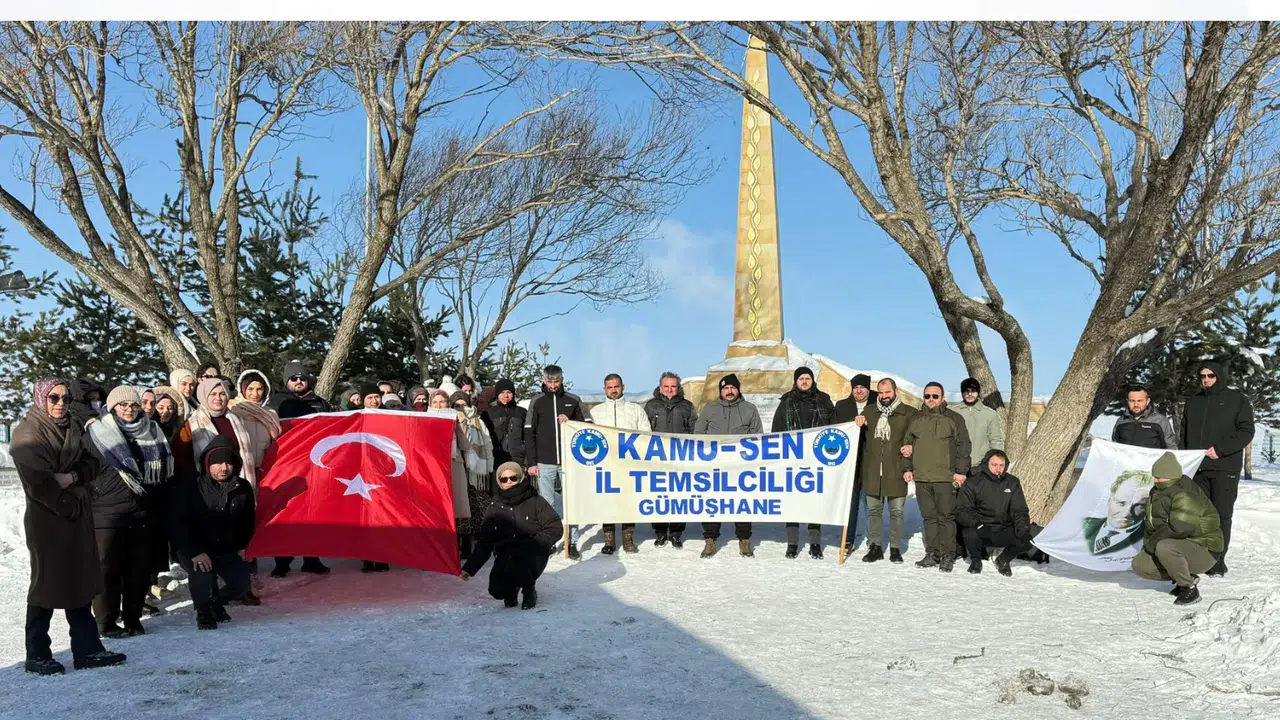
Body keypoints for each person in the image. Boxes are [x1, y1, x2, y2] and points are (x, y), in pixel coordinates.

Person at [12, 377, 127, 675]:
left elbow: (94, 462)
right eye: (54, 398)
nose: (61, 403)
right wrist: (68, 499)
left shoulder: (72, 427)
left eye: (64, 398)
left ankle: (87, 649)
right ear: (41, 399)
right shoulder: (28, 435)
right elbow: (40, 484)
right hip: (48, 520)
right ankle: (36, 653)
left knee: (80, 580)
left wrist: (71, 478)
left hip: (76, 516)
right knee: (46, 585)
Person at [85, 385, 174, 638]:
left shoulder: (152, 431)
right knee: (106, 569)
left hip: (142, 511)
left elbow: (162, 474)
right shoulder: (96, 432)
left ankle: (133, 617)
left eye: (133, 405)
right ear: (112, 407)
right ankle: (106, 621)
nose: (129, 409)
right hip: (105, 511)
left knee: (138, 569)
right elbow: (83, 467)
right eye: (122, 405)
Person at [169, 437, 258, 628]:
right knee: (203, 575)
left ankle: (216, 604)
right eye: (218, 462)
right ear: (207, 464)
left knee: (241, 583)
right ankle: (204, 612)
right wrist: (194, 552)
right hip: (195, 548)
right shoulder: (190, 487)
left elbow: (248, 521)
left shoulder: (243, 488)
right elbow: (178, 524)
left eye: (228, 462)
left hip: (227, 548)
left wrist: (245, 546)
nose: (224, 467)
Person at [1181, 361, 1254, 577]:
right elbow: (1184, 434)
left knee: (1221, 515)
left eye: (1210, 376)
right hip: (1198, 468)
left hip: (1225, 467)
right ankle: (1199, 557)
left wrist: (1221, 450)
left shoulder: (1237, 400)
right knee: (1199, 516)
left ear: (1219, 376)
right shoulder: (1193, 402)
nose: (1206, 380)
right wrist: (1185, 460)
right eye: (1202, 376)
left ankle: (1217, 560)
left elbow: (1246, 431)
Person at [461, 462, 564, 610]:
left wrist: (536, 543)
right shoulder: (495, 507)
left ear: (520, 478)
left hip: (533, 553)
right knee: (497, 590)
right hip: (506, 554)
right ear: (499, 482)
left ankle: (529, 591)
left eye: (513, 477)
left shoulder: (535, 501)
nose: (509, 481)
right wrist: (470, 568)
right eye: (504, 479)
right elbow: (485, 542)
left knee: (521, 563)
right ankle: (510, 590)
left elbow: (554, 527)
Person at [1131, 452, 1223, 606]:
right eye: (1154, 476)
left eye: (1159, 477)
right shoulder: (1158, 491)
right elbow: (1152, 524)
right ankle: (1184, 575)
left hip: (1205, 550)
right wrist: (1147, 548)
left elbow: (1179, 528)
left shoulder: (1185, 494)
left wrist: (1151, 545)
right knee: (1140, 565)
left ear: (1171, 476)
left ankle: (1189, 588)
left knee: (1164, 547)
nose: (1155, 480)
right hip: (1181, 546)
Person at [266, 362, 332, 577]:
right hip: (285, 464)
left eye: (302, 378)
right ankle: (282, 561)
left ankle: (311, 558)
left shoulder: (321, 403)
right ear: (287, 381)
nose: (298, 382)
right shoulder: (276, 402)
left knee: (312, 514)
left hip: (314, 464)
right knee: (284, 513)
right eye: (293, 379)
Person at [902, 381, 971, 572]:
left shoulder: (954, 419)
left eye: (935, 396)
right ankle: (932, 553)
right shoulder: (916, 419)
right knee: (929, 517)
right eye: (927, 396)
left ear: (942, 398)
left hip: (945, 477)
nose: (931, 399)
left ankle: (948, 554)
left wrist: (961, 472)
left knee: (946, 518)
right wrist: (907, 468)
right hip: (922, 477)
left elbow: (963, 446)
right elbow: (906, 446)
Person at [695, 374, 763, 558]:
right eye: (726, 388)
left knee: (742, 503)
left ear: (738, 389)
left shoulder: (749, 409)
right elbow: (697, 435)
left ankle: (744, 539)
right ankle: (710, 539)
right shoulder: (709, 410)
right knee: (712, 502)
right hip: (714, 468)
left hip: (740, 468)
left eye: (733, 388)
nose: (729, 391)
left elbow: (758, 436)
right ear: (721, 391)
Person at [772, 366, 835, 559]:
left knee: (814, 502)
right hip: (793, 460)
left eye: (808, 378)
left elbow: (835, 426)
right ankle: (792, 543)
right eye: (801, 378)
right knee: (794, 502)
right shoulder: (786, 402)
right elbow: (777, 430)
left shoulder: (824, 400)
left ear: (812, 380)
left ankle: (815, 543)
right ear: (796, 381)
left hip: (817, 460)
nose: (805, 381)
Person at [524, 365, 586, 559]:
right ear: (544, 380)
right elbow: (528, 432)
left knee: (571, 502)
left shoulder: (573, 400)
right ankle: (549, 541)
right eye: (549, 382)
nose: (552, 385)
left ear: (562, 380)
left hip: (569, 461)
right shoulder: (537, 401)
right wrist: (532, 462)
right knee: (547, 504)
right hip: (544, 461)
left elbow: (588, 427)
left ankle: (572, 541)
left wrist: (571, 421)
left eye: (556, 381)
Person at [590, 373, 652, 555]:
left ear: (623, 387)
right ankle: (609, 540)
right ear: (604, 389)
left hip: (629, 465)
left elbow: (646, 434)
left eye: (616, 386)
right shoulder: (596, 412)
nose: (613, 390)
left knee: (628, 502)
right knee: (607, 501)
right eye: (609, 387)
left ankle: (628, 538)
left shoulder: (636, 410)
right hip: (606, 465)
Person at [858, 378, 918, 564]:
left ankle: (895, 548)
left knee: (896, 512)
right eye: (881, 393)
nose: (884, 396)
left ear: (896, 391)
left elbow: (918, 438)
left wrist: (912, 449)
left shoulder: (909, 413)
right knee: (873, 512)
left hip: (896, 470)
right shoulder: (869, 411)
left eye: (887, 392)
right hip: (873, 470)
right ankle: (875, 546)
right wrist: (857, 423)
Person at [956, 450, 1032, 576]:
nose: (998, 468)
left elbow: (1020, 510)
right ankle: (976, 560)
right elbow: (962, 511)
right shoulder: (973, 483)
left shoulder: (1012, 483)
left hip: (1003, 527)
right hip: (981, 528)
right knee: (969, 532)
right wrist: (978, 524)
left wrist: (1023, 529)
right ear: (987, 464)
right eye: (994, 465)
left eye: (1001, 465)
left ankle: (1003, 560)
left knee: (1025, 539)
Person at [644, 372, 697, 548]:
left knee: (678, 496)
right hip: (657, 458)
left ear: (678, 387)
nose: (669, 390)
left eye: (673, 386)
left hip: (679, 459)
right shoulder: (651, 406)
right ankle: (659, 532)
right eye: (666, 386)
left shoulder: (687, 406)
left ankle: (675, 532)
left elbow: (694, 431)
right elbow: (644, 432)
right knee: (659, 495)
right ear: (660, 388)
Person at [833, 373, 873, 557]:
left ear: (868, 389)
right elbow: (834, 429)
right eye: (856, 387)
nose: (859, 390)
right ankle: (848, 539)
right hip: (849, 462)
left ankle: (874, 540)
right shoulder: (842, 406)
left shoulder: (876, 405)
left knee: (870, 503)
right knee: (851, 503)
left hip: (870, 460)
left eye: (862, 387)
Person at [452, 390, 495, 560]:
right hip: (460, 471)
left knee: (479, 509)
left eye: (463, 404)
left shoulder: (478, 422)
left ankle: (477, 545)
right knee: (462, 512)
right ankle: (462, 546)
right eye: (457, 405)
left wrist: (489, 468)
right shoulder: (450, 421)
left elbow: (488, 445)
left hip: (478, 471)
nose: (461, 408)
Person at [952, 377, 1004, 470]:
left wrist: (996, 463)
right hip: (956, 465)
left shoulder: (990, 414)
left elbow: (996, 440)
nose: (970, 394)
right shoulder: (952, 412)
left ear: (978, 392)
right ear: (962, 393)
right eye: (966, 391)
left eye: (973, 390)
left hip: (981, 466)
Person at [1112, 385, 1177, 449]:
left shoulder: (1160, 421)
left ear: (1147, 401)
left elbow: (1171, 448)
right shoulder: (1121, 421)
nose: (1136, 405)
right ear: (1127, 401)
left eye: (1139, 401)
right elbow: (1115, 448)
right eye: (1132, 401)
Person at [482, 379, 526, 468]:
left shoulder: (522, 412)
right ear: (497, 394)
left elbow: (528, 437)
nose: (505, 395)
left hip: (518, 459)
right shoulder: (488, 413)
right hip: (496, 459)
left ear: (513, 393)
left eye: (509, 392)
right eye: (502, 392)